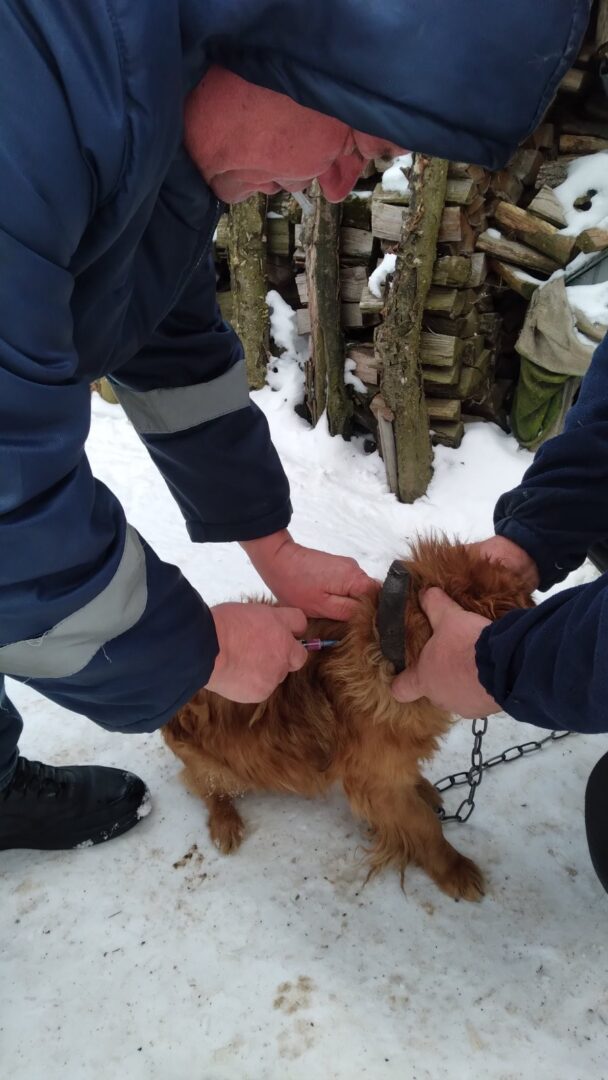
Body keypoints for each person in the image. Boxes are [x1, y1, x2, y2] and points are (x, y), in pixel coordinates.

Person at [0, 1, 594, 856]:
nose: (344, 185)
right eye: (356, 142)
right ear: (296, 54)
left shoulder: (151, 133)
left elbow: (168, 342)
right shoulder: (37, 114)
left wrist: (270, 546)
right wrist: (192, 654)